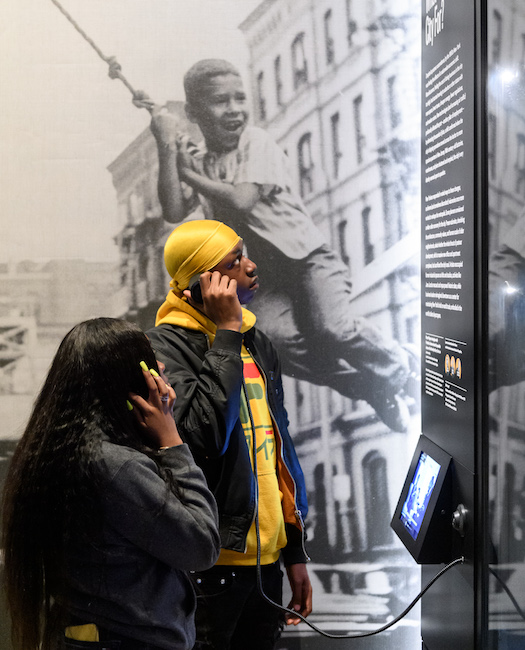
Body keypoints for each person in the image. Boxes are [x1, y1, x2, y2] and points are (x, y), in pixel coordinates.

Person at [144, 58, 416, 432]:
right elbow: (173, 209)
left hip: (308, 260)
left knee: (331, 330)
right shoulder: (203, 161)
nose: (235, 109)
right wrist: (165, 146)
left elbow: (242, 199)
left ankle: (402, 366)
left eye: (240, 98)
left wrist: (187, 170)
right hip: (265, 278)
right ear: (195, 112)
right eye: (221, 101)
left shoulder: (257, 142)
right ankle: (370, 385)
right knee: (271, 344)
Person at [2, 318, 220, 650]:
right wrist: (172, 442)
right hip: (132, 640)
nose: (161, 369)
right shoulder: (116, 467)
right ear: (134, 378)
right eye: (150, 362)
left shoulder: (56, 451)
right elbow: (201, 546)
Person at [146, 219, 312, 650]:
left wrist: (292, 551)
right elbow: (202, 439)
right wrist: (226, 333)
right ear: (200, 284)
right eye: (234, 262)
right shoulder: (162, 349)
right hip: (209, 570)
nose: (251, 267)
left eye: (245, 254)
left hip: (267, 565)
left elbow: (277, 452)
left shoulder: (256, 341)